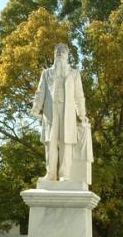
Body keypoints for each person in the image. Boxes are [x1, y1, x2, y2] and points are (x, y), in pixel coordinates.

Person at [30, 43, 89, 181]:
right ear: (54, 54)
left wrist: (82, 114)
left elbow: (79, 96)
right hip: (50, 112)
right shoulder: (46, 73)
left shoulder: (74, 74)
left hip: (67, 112)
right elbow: (40, 92)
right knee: (50, 142)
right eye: (57, 51)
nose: (60, 53)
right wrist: (36, 108)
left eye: (63, 51)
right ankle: (50, 174)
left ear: (67, 55)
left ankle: (64, 174)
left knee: (65, 142)